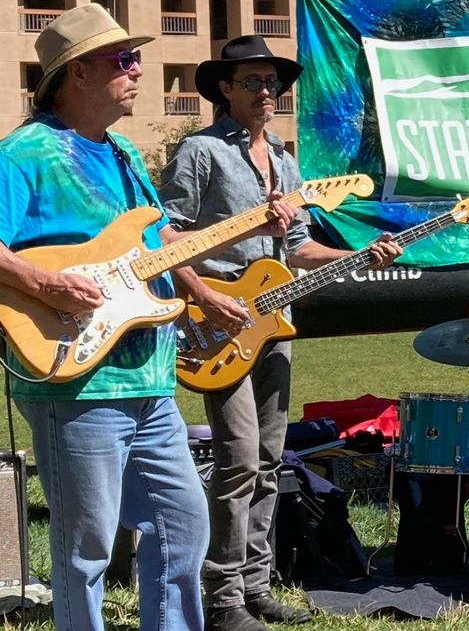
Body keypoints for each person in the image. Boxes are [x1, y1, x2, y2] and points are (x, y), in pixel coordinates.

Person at [158, 36, 402, 631]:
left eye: (273, 83)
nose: (267, 92)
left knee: (270, 459)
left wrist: (361, 254)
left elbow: (298, 248)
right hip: (216, 322)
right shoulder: (200, 152)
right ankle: (221, 599)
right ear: (225, 89)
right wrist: (205, 297)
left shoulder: (288, 164)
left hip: (274, 324)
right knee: (238, 459)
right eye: (253, 82)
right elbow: (165, 237)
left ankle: (256, 586)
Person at [0, 3, 209, 630]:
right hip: (74, 379)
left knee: (184, 529)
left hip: (150, 382)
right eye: (122, 59)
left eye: (135, 57)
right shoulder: (23, 153)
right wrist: (44, 282)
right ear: (76, 74)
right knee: (84, 551)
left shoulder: (120, 152)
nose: (139, 69)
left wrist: (205, 287)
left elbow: (156, 241)